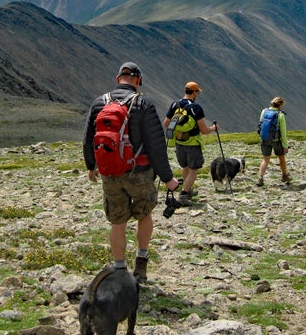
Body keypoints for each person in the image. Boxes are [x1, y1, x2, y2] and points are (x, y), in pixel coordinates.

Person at [83, 62, 180, 282]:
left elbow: (89, 138)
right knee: (144, 214)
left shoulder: (99, 103)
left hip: (110, 173)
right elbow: (156, 145)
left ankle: (119, 270)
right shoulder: (143, 103)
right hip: (140, 172)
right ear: (138, 80)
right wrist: (168, 178)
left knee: (118, 221)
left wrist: (91, 166)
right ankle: (141, 264)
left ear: (118, 79)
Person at [163, 81, 218, 206]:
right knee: (194, 169)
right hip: (192, 143)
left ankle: (188, 191)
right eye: (197, 92)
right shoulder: (195, 108)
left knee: (185, 167)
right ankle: (183, 195)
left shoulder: (174, 104)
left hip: (179, 142)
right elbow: (204, 130)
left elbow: (166, 124)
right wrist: (214, 128)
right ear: (194, 92)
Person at [257, 96, 291, 185]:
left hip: (264, 139)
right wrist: (285, 146)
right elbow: (283, 132)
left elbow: (261, 124)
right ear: (280, 105)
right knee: (281, 158)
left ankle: (260, 178)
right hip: (276, 141)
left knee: (265, 159)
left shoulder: (264, 111)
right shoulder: (280, 115)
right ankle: (284, 175)